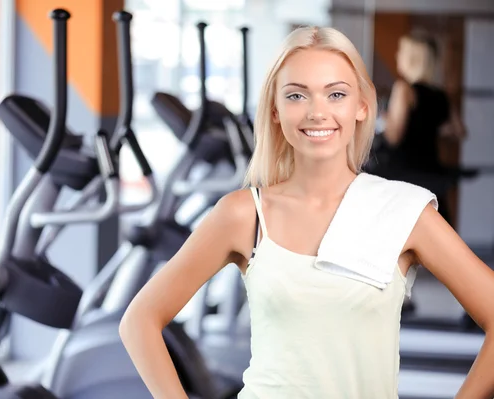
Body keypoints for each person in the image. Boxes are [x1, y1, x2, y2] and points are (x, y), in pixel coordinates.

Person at [119, 26, 494, 399]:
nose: (318, 112)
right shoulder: (243, 214)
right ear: (276, 110)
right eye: (297, 95)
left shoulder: (405, 212)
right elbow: (139, 321)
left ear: (361, 105)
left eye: (336, 94)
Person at [378, 31, 467, 223]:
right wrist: (426, 126)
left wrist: (386, 120)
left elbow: (394, 137)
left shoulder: (404, 89)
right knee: (436, 230)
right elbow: (458, 131)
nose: (397, 56)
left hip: (405, 175)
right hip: (431, 173)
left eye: (400, 51)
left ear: (411, 58)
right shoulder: (441, 94)